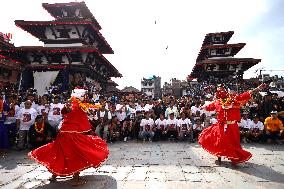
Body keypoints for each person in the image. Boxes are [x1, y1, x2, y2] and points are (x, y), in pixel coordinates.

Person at [28, 88, 108, 186]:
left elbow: (87, 110)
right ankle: (75, 178)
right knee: (75, 155)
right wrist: (68, 106)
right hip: (71, 135)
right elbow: (66, 110)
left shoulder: (80, 105)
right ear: (80, 96)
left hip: (66, 134)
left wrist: (97, 107)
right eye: (84, 95)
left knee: (60, 153)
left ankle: (54, 175)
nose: (86, 97)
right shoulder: (74, 104)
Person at [198, 83, 266, 167]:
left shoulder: (234, 100)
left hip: (232, 126)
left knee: (234, 143)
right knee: (219, 142)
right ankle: (219, 158)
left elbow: (245, 95)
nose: (220, 92)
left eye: (222, 90)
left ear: (226, 92)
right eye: (218, 91)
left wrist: (257, 89)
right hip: (221, 126)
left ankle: (234, 159)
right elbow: (208, 107)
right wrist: (202, 107)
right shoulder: (217, 102)